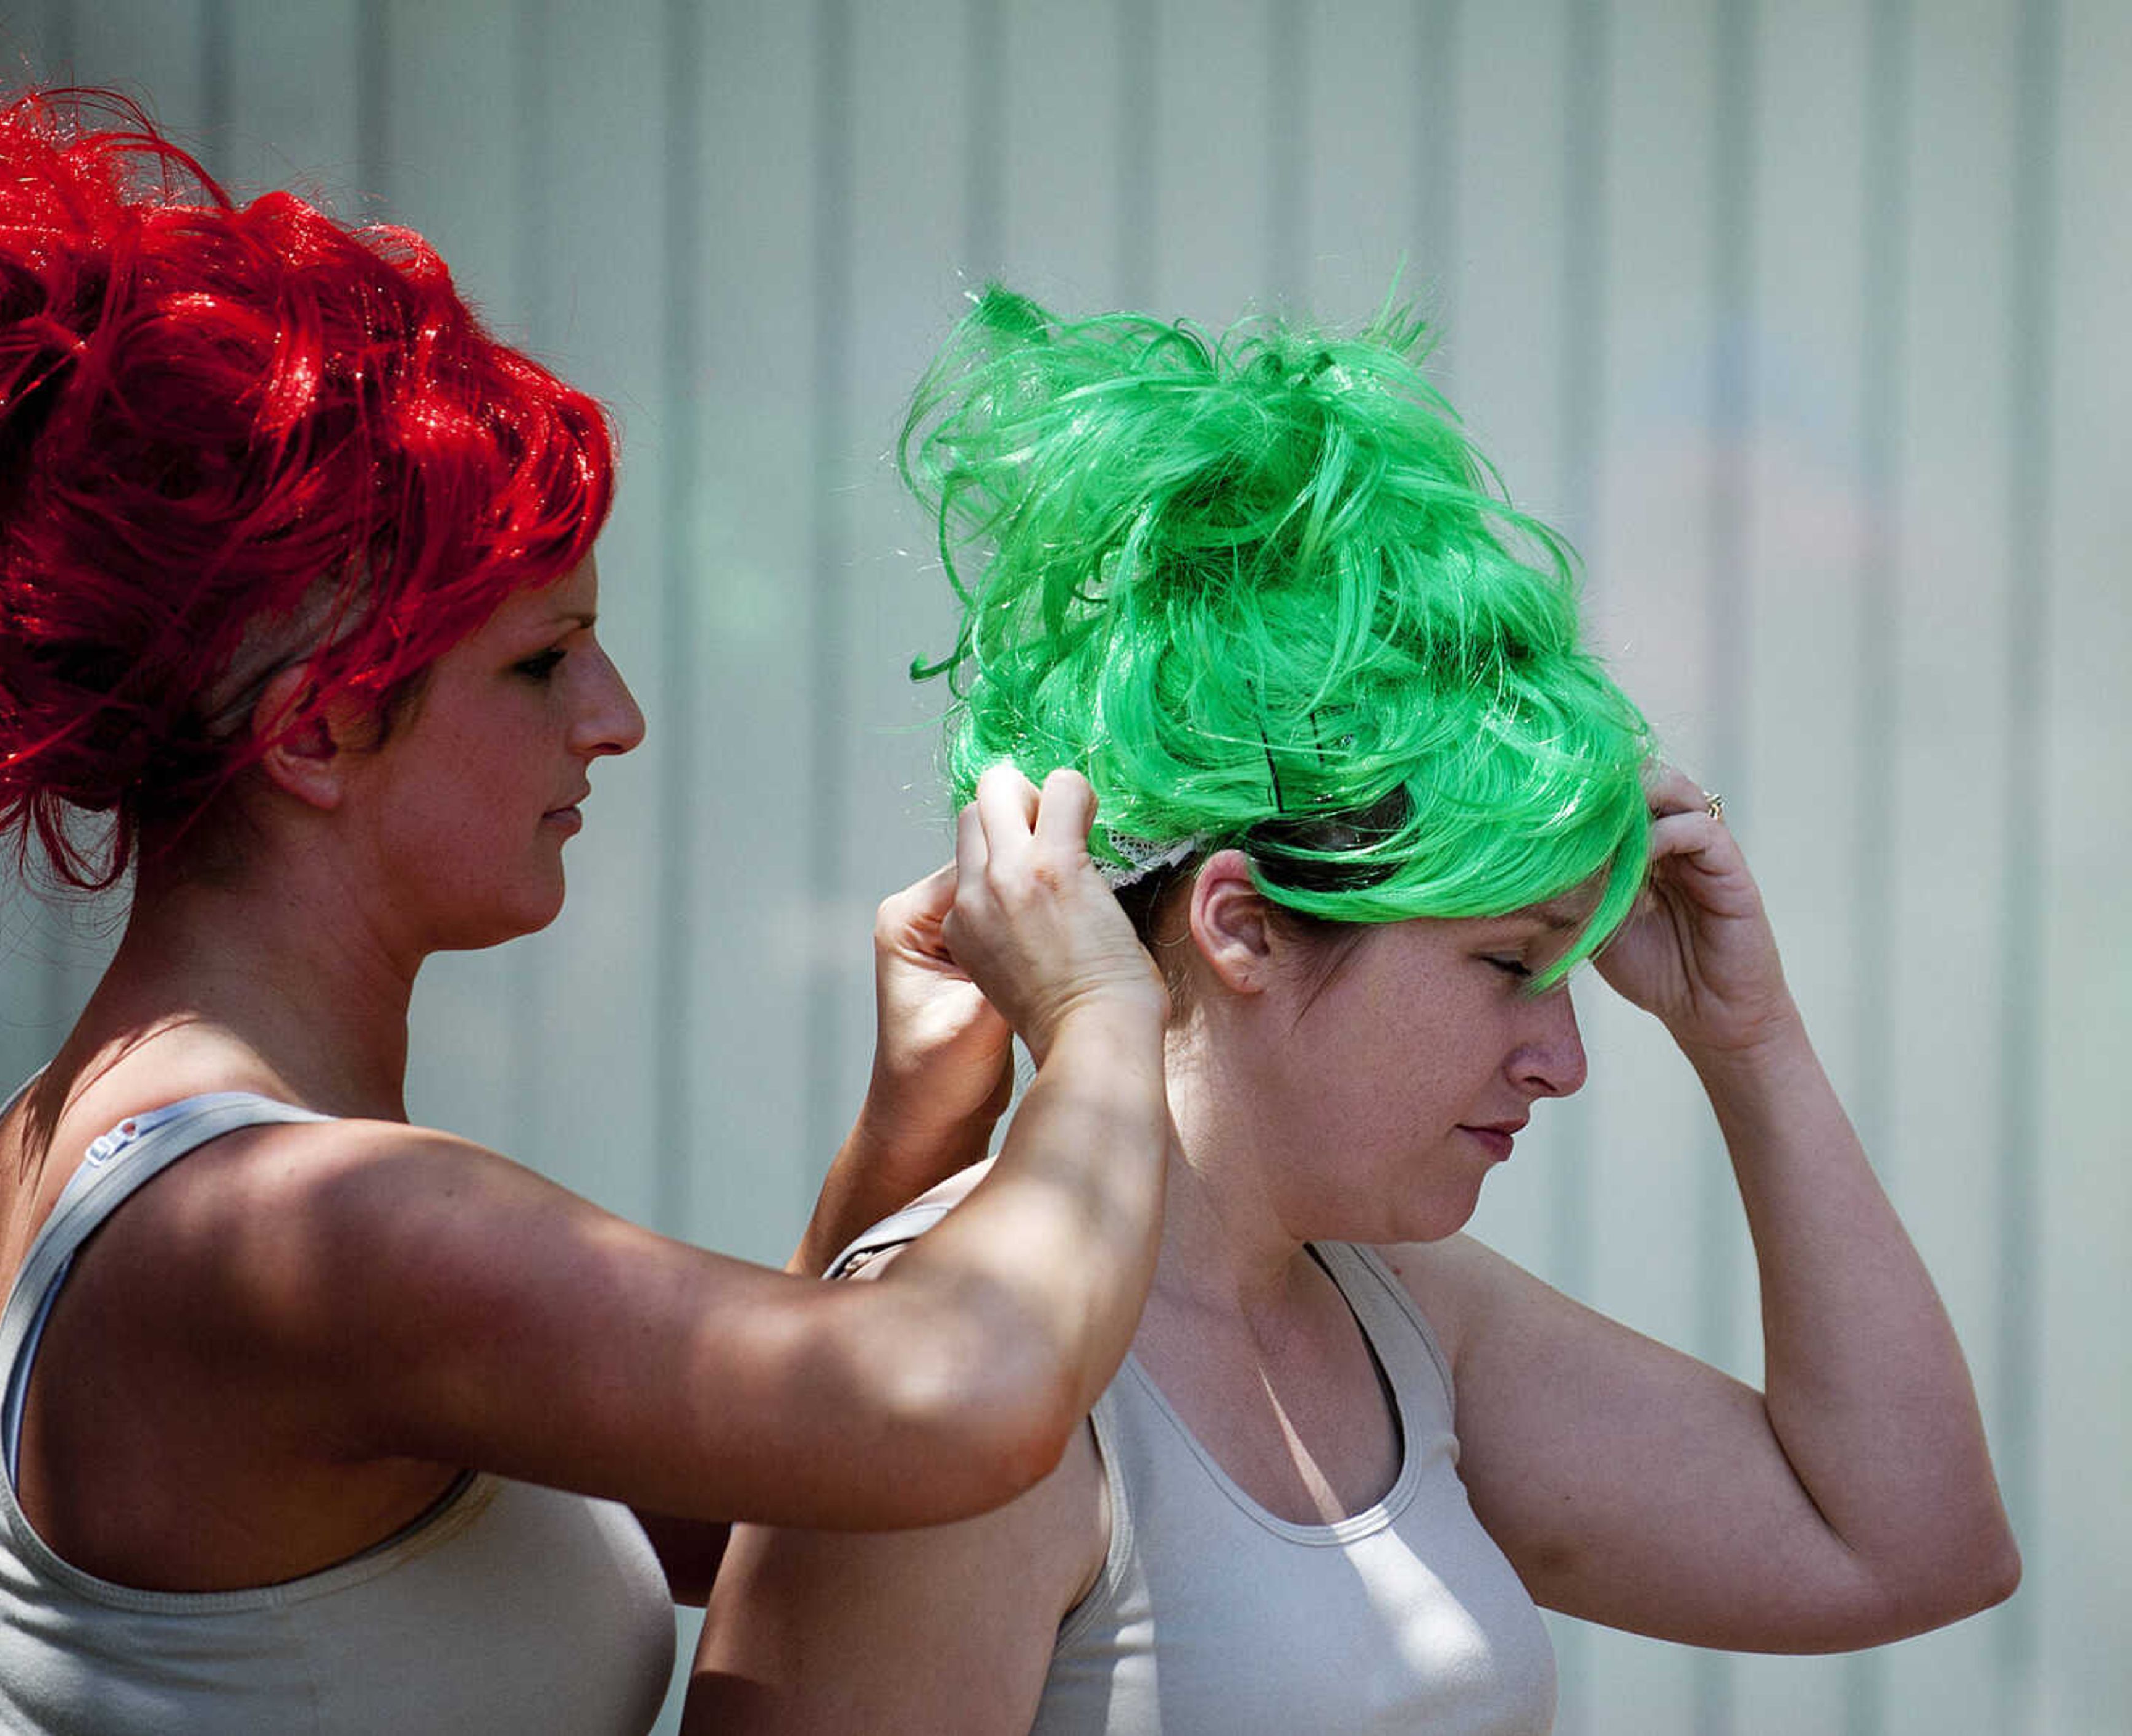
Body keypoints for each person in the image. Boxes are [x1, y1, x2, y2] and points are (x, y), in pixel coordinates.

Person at [0, 94, 1175, 1733]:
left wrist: (913, 1124)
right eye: (538, 658)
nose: (620, 715)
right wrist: (1102, 1016)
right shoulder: (295, 1230)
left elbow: (754, 1490)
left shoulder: (97, 1143)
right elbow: (955, 1399)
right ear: (310, 730)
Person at [686, 288, 2020, 1733]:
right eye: (1509, 966)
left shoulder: (1396, 1316)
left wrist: (1748, 1043)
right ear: (1245, 926)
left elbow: (1907, 1552)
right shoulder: (950, 1359)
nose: (1565, 1059)